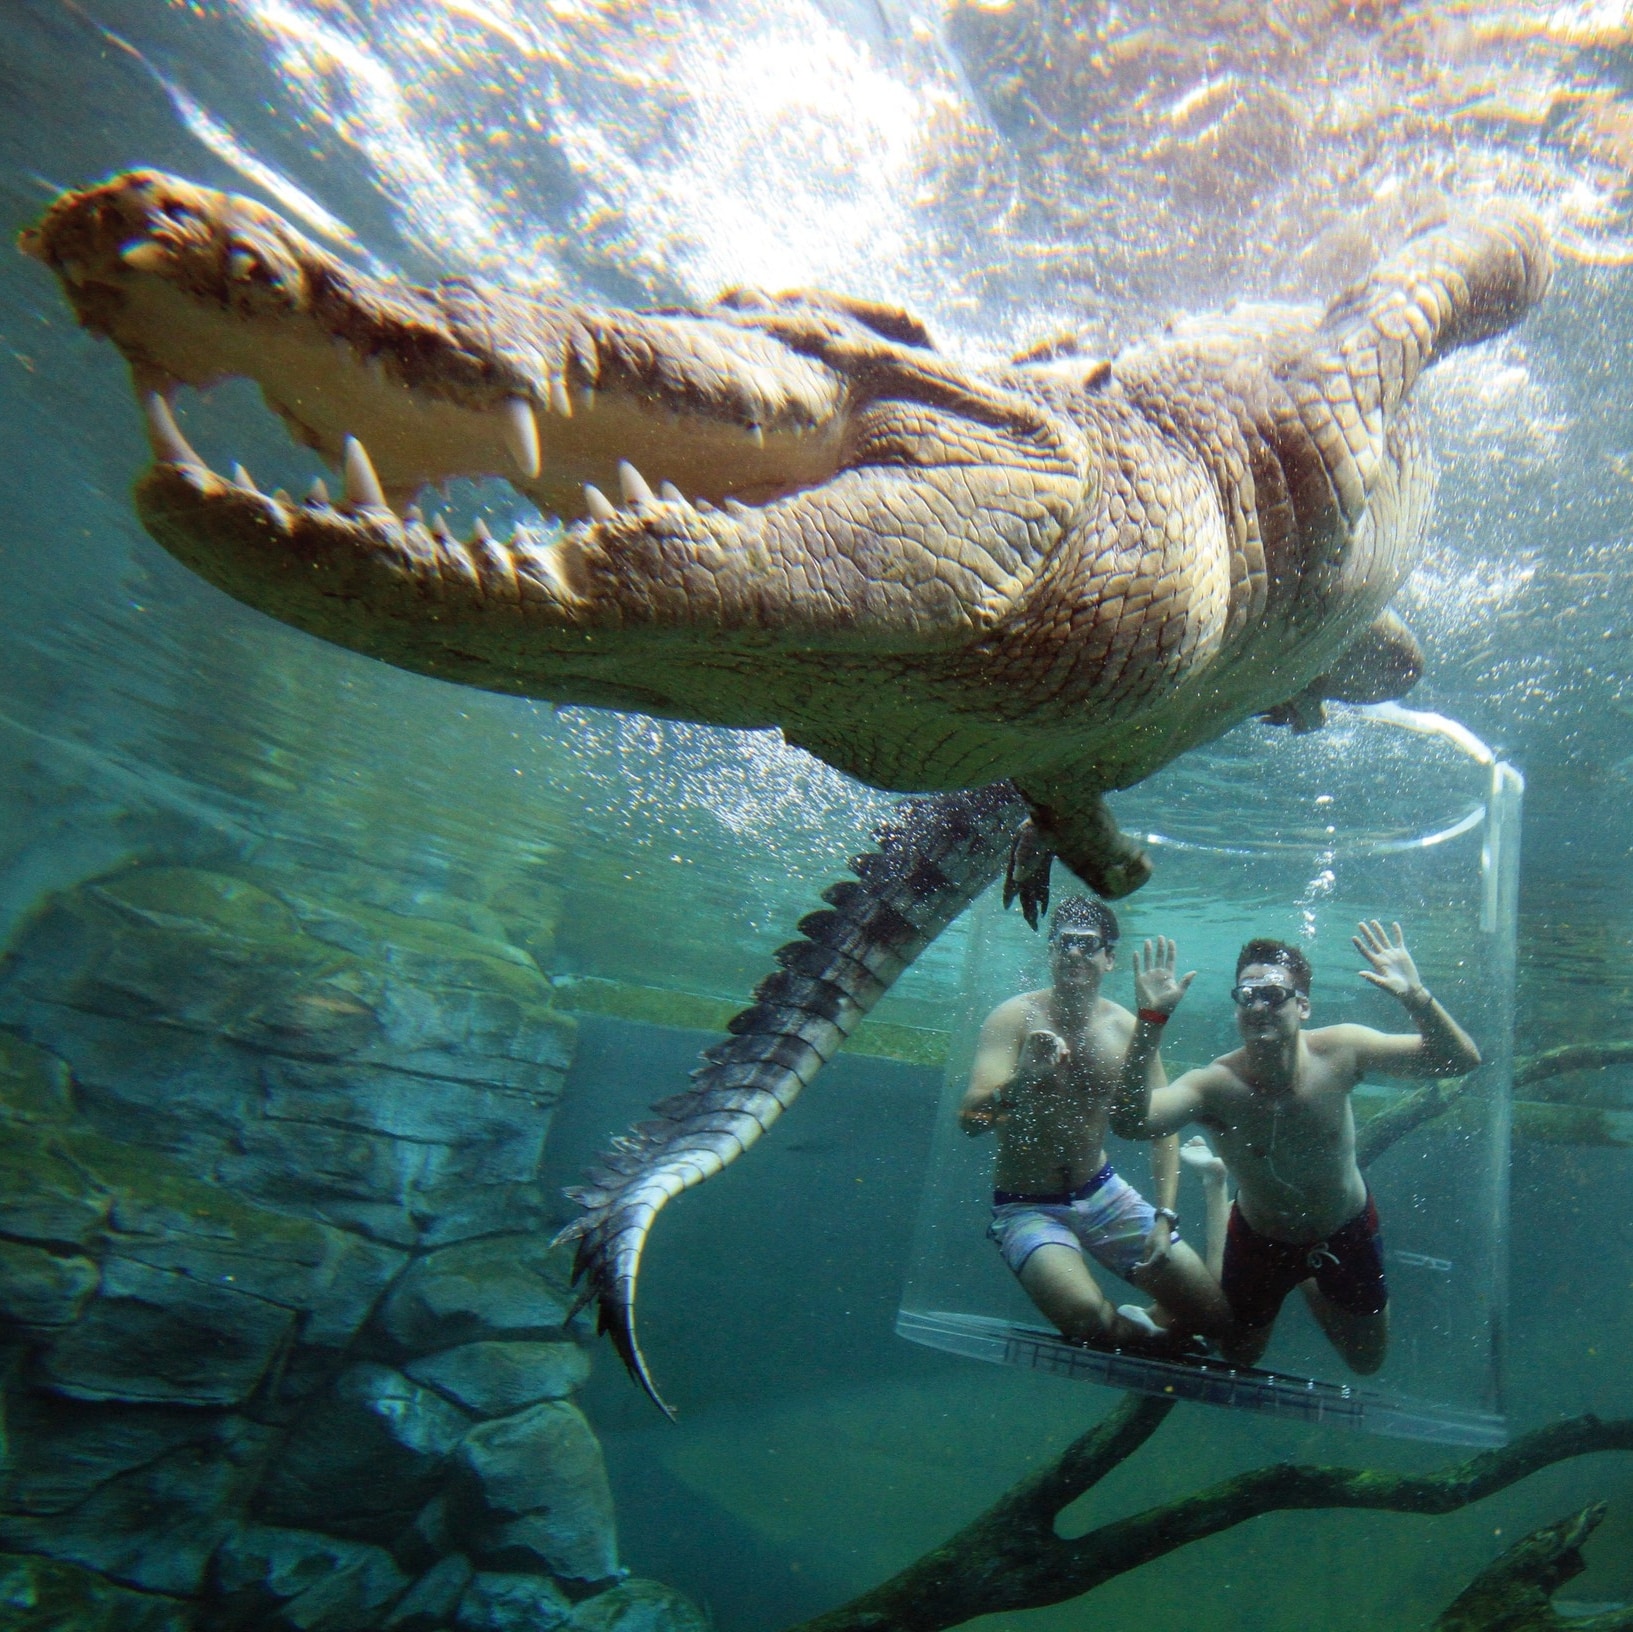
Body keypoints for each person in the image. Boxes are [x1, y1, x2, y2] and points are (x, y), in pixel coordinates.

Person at [1112, 922, 1482, 1374]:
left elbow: (1459, 1060)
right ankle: (1217, 1185)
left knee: (1367, 1362)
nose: (1259, 1005)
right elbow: (1131, 1123)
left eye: (1274, 994)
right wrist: (1150, 1021)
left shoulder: (1342, 1050)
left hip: (1344, 1228)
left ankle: (1309, 1276)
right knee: (1240, 1355)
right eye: (1248, 995)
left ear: (1303, 1005)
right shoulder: (1216, 1086)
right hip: (1261, 1237)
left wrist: (1416, 997)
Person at [959, 897, 1234, 1350]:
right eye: (1064, 944)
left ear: (1109, 959)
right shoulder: (1013, 1018)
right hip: (1026, 1203)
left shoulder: (1127, 1028)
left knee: (1216, 1322)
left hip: (1103, 1192)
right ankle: (1143, 1333)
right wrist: (1023, 1080)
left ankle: (1150, 1325)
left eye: (1087, 946)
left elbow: (1161, 1126)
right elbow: (970, 1122)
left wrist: (1165, 1217)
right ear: (1050, 953)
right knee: (1088, 1321)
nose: (1073, 955)